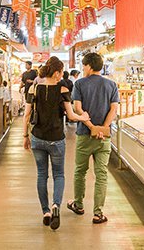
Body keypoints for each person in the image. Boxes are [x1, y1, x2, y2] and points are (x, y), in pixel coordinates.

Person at [23, 57, 89, 230]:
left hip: (37, 137)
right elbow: (72, 115)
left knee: (41, 175)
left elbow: (26, 115)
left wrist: (25, 136)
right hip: (56, 139)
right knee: (58, 174)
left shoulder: (34, 88)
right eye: (60, 73)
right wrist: (84, 117)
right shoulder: (63, 88)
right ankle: (56, 206)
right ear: (58, 72)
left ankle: (45, 211)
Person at [68, 52, 119, 224]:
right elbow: (113, 110)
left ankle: (79, 205)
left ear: (89, 66)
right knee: (101, 175)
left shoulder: (80, 84)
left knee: (80, 171)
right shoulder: (111, 85)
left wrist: (91, 127)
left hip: (84, 135)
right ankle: (98, 213)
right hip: (104, 138)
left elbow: (78, 109)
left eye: (83, 65)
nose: (83, 69)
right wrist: (102, 129)